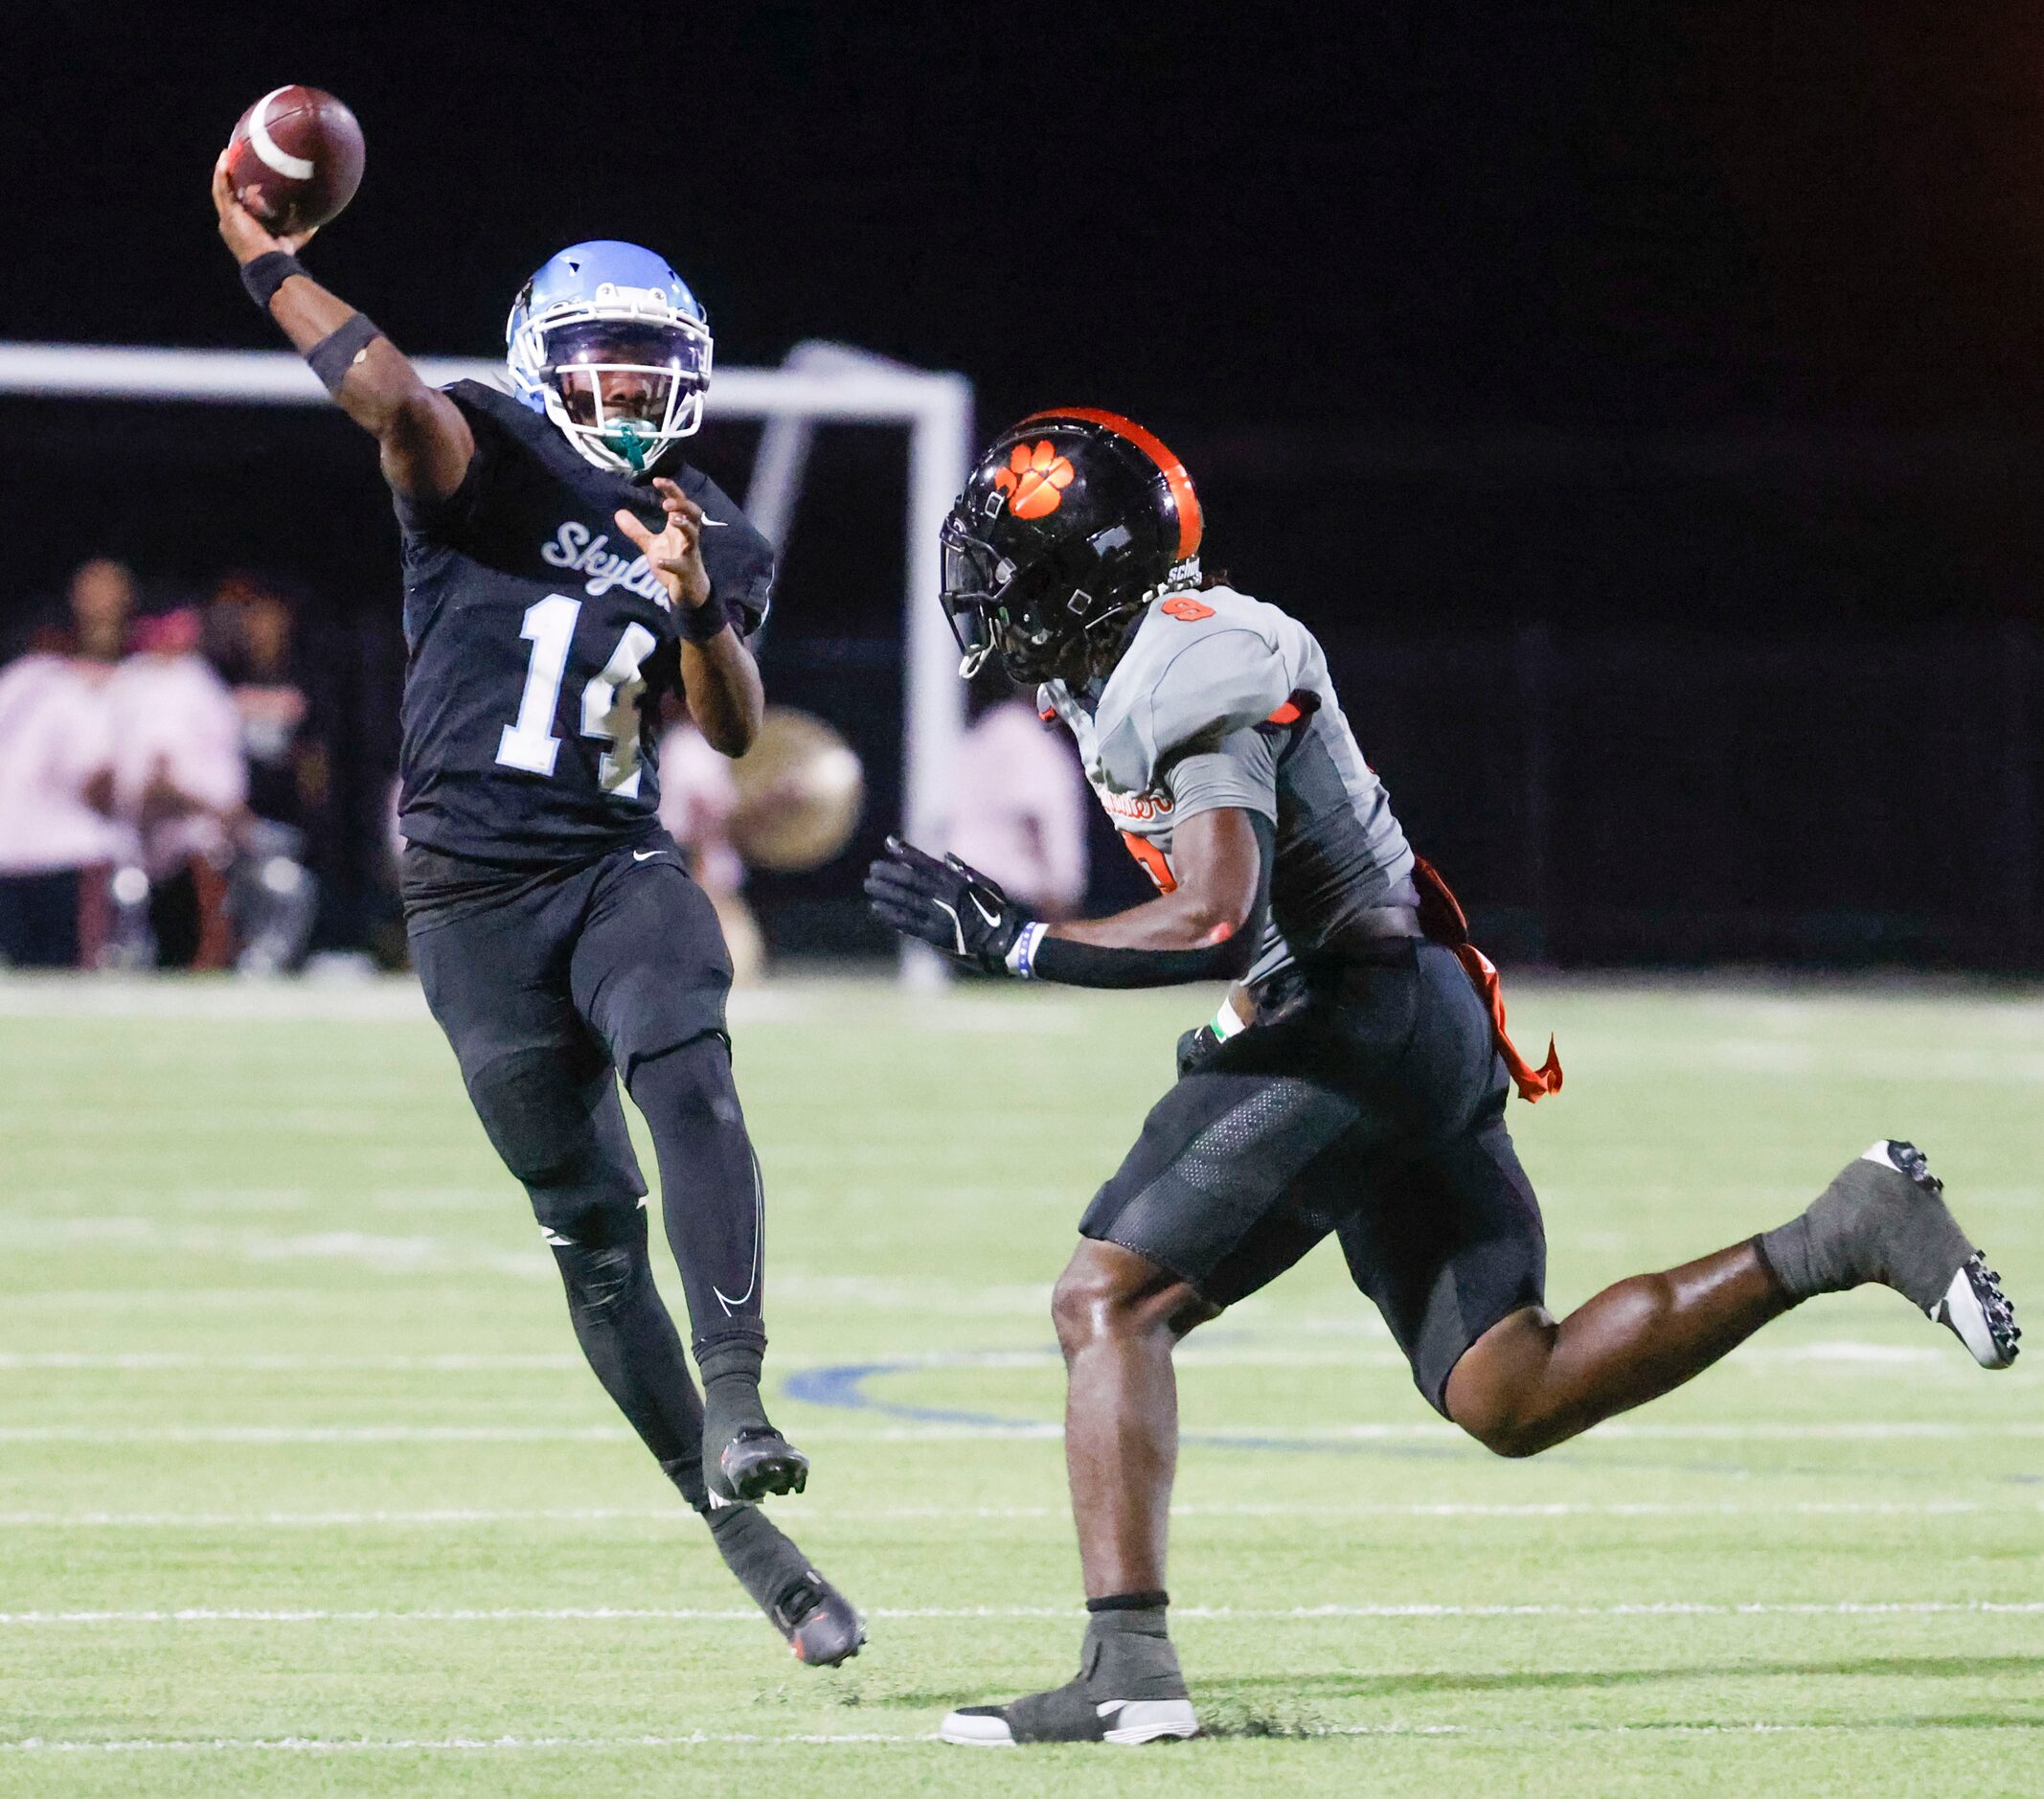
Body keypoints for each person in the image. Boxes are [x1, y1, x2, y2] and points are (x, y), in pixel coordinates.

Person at [866, 407, 2020, 1747]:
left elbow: (1218, 911)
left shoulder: (1193, 665)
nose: (990, 601)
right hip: (1398, 1018)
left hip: (1363, 1020)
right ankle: (1841, 1231)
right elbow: (1285, 900)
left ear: (1085, 574)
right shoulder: (1145, 663)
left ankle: (1126, 1665)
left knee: (1105, 1300)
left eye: (1010, 570)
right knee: (1505, 1387)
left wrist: (1016, 938)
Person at [210, 158, 861, 1664]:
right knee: (585, 1223)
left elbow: (733, 730)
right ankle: (752, 1543)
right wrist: (265, 258)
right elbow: (388, 397)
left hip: (609, 861)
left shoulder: (712, 525)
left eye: (653, 374)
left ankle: (742, 1388)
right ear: (541, 365)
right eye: (603, 367)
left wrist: (697, 598)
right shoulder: (482, 445)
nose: (629, 398)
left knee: (687, 1065)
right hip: (465, 894)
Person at [940, 666, 1088, 921]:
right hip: (1015, 898)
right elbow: (1031, 817)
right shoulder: (1024, 734)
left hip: (976, 888)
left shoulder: (990, 729)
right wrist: (1052, 895)